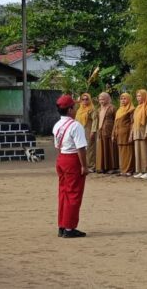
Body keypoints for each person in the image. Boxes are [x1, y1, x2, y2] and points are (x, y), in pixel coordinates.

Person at [52, 95, 90, 238]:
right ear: (69, 110)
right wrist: (84, 166)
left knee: (63, 193)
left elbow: (57, 146)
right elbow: (81, 148)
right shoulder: (75, 125)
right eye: (74, 107)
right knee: (74, 194)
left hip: (62, 158)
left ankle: (62, 225)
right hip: (72, 160)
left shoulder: (57, 125)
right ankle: (69, 227)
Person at [132, 89, 147, 179]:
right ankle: (140, 170)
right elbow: (134, 121)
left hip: (144, 132)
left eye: (140, 96)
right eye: (137, 96)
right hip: (137, 132)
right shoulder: (138, 107)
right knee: (138, 152)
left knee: (145, 152)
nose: (138, 98)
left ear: (145, 96)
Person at [113, 92, 136, 176]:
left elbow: (133, 123)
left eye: (124, 98)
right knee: (122, 152)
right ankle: (123, 169)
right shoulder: (119, 110)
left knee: (128, 152)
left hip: (127, 133)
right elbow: (115, 123)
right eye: (121, 98)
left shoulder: (131, 109)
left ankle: (129, 170)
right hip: (119, 134)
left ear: (129, 99)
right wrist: (113, 133)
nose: (122, 100)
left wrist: (131, 134)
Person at [94, 92, 118, 173]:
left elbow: (116, 120)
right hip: (101, 131)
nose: (101, 101)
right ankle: (102, 167)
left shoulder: (112, 108)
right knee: (101, 148)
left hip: (110, 131)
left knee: (110, 148)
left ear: (107, 99)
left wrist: (114, 131)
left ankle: (111, 167)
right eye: (100, 99)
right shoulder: (99, 109)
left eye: (103, 99)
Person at [76, 93, 97, 172]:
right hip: (80, 131)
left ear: (90, 99)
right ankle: (83, 165)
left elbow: (95, 120)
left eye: (86, 99)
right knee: (81, 148)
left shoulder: (92, 109)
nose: (84, 101)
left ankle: (91, 166)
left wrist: (93, 131)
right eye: (83, 99)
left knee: (90, 149)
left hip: (88, 130)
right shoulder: (79, 109)